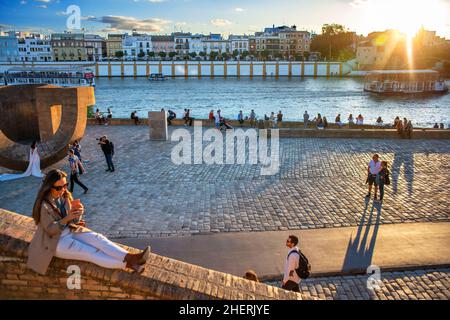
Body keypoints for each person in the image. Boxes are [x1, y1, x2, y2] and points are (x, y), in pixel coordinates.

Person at [26, 169, 151, 275]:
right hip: (55, 241)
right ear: (49, 187)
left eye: (65, 185)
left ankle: (132, 257)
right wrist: (66, 219)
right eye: (59, 187)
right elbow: (50, 229)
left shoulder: (64, 196)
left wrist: (78, 214)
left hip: (70, 230)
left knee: (99, 239)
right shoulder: (44, 205)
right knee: (90, 252)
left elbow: (73, 220)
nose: (63, 189)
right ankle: (127, 265)